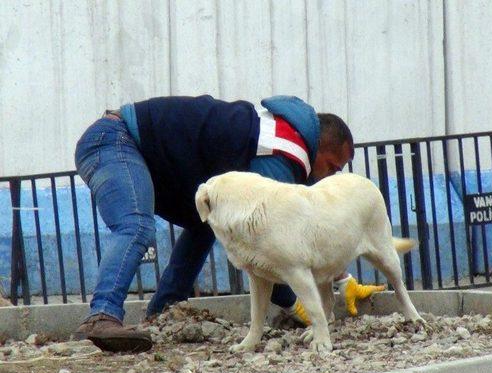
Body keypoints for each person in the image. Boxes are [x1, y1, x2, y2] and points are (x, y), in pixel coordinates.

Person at [73, 94, 385, 353]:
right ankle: (103, 315)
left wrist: (339, 280)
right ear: (320, 147)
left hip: (128, 145)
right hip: (114, 141)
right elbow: (273, 254)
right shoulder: (283, 154)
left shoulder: (279, 133)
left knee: (202, 225)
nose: (329, 178)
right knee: (137, 226)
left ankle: (162, 311)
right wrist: (301, 303)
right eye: (332, 167)